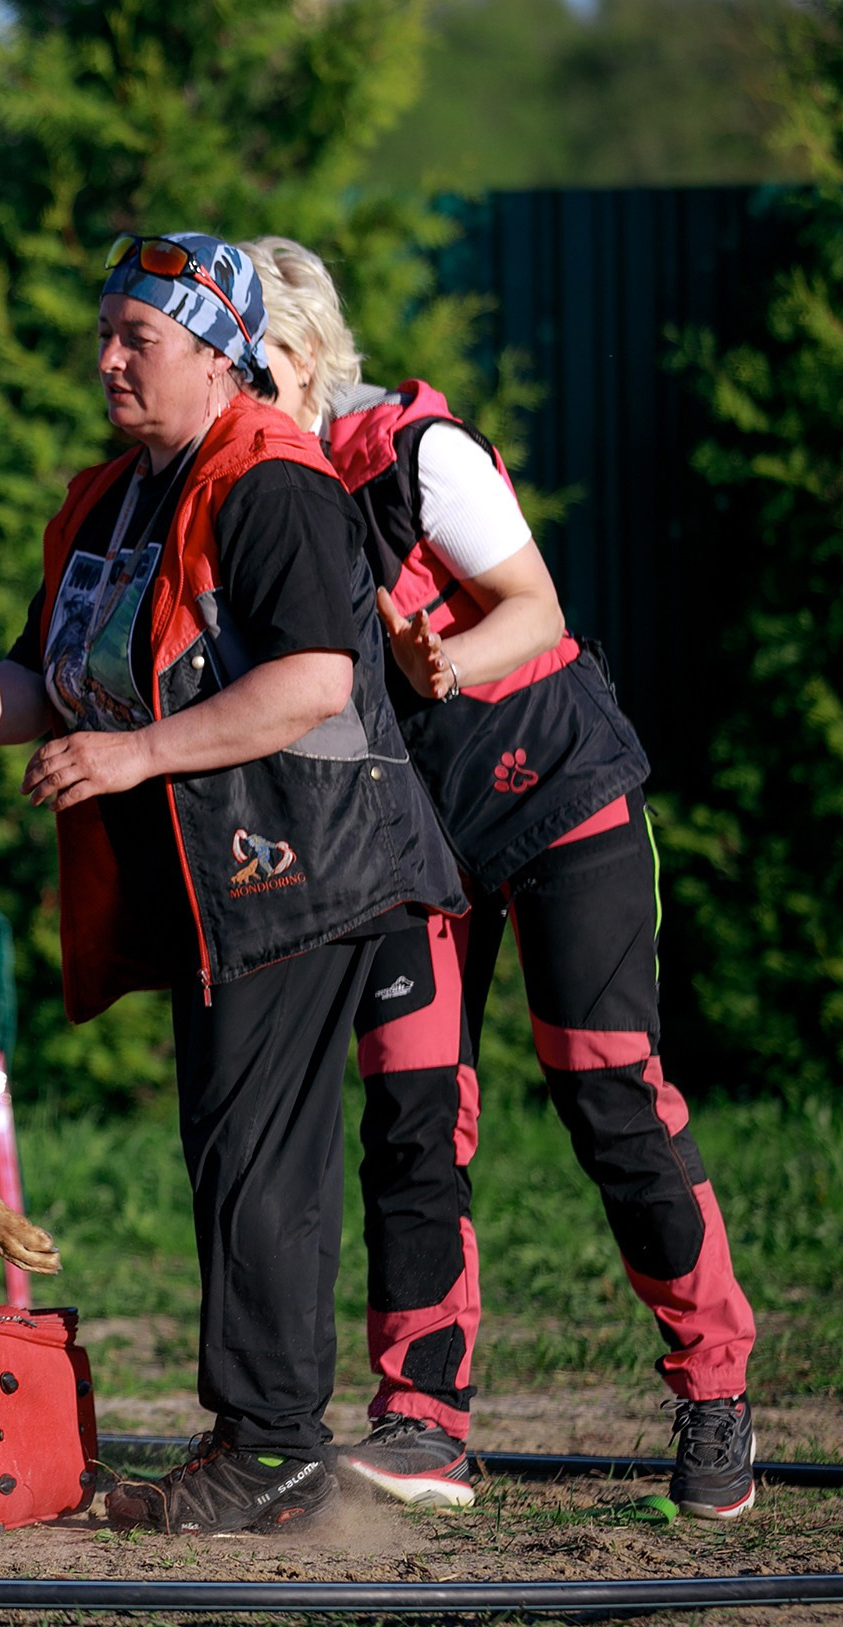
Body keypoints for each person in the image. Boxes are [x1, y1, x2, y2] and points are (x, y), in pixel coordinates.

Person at [0, 233, 464, 1535]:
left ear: (217, 354)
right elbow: (52, 675)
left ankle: (267, 1448)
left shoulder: (275, 483)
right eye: (106, 332)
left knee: (258, 1156)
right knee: (225, 1146)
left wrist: (133, 752)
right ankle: (265, 1436)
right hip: (217, 884)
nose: (106, 358)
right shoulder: (110, 498)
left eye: (135, 338)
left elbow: (315, 679)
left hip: (305, 862)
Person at [243, 237, 759, 1519]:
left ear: (303, 357)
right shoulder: (253, 492)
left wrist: (446, 662)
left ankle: (716, 1389)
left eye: (244, 367)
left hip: (558, 793)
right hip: (416, 840)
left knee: (607, 1094)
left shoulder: (414, 453)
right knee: (412, 1113)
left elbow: (533, 608)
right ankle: (421, 1420)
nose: (232, 399)